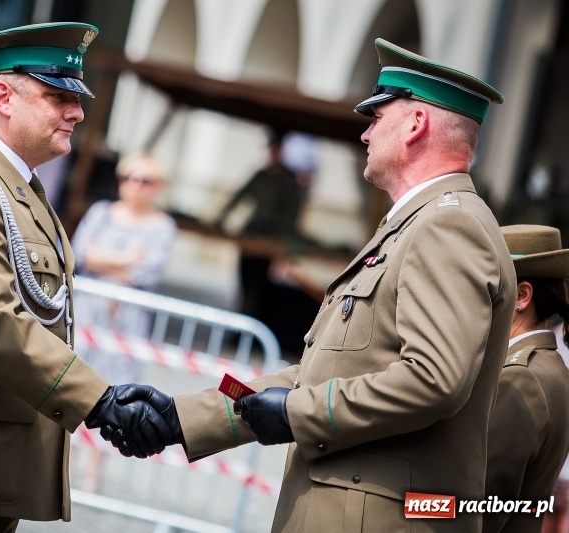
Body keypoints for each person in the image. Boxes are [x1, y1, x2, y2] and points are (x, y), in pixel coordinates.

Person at [110, 38, 517, 532]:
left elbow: (433, 380)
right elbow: (318, 374)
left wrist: (298, 413)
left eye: (376, 118)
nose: (365, 134)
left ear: (415, 125)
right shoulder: (418, 223)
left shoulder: (448, 225)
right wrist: (183, 416)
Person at [0, 23, 172, 532]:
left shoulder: (21, 187)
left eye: (76, 99)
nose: (77, 112)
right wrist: (99, 400)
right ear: (2, 97)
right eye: (58, 96)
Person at [483, 225, 569, 533]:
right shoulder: (548, 365)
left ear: (521, 296)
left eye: (487, 285)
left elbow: (479, 503)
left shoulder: (520, 377)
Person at [72, 152, 177, 335]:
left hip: (129, 319)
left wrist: (99, 259)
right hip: (85, 311)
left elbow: (148, 273)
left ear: (159, 186)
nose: (134, 185)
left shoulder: (163, 226)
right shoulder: (100, 212)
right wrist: (129, 259)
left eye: (145, 181)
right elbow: (80, 255)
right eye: (128, 178)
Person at [216, 129, 304, 319]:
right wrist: (220, 220)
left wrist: (284, 243)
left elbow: (292, 213)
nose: (272, 153)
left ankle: (251, 320)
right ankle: (241, 320)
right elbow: (239, 196)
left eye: (276, 149)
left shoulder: (288, 179)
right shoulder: (261, 175)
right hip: (252, 234)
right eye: (271, 148)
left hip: (270, 239)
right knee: (244, 282)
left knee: (259, 287)